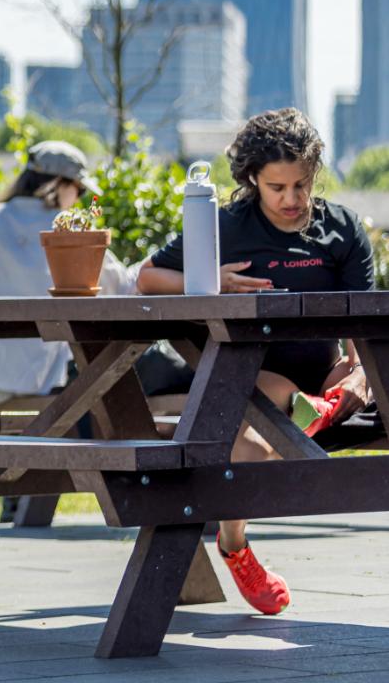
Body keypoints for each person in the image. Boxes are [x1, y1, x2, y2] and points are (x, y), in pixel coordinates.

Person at [135, 107, 375, 617]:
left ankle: (233, 538)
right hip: (240, 378)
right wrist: (211, 279)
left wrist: (359, 372)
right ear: (252, 181)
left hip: (324, 378)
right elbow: (148, 278)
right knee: (249, 430)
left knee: (253, 436)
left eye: (301, 185)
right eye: (277, 187)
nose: (291, 200)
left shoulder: (343, 230)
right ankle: (236, 545)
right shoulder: (224, 226)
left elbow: (365, 319)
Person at [0, 141, 126, 408]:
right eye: (80, 190)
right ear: (61, 184)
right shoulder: (65, 230)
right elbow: (119, 286)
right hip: (44, 389)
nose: (78, 199)